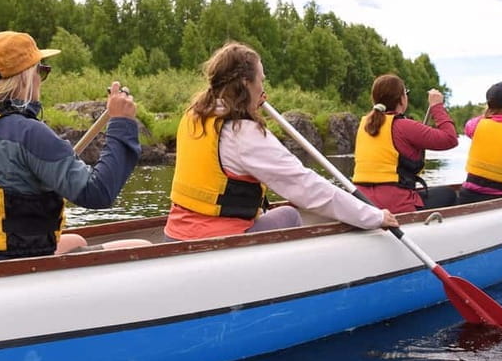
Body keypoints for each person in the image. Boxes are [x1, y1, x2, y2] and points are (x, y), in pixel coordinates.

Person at [0, 30, 148, 265]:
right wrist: (122, 123)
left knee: (76, 239)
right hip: (13, 267)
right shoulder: (27, 133)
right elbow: (98, 193)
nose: (42, 78)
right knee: (141, 246)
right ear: (27, 77)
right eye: (42, 70)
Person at [164, 41, 398, 241]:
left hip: (173, 234)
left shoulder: (193, 116)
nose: (263, 89)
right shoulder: (242, 133)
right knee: (290, 215)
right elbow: (305, 186)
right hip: (218, 242)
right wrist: (374, 216)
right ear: (247, 83)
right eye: (261, 81)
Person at [352, 74, 459, 213]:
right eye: (405, 93)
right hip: (394, 205)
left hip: (362, 202)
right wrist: (437, 106)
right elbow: (450, 139)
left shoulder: (364, 125)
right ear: (402, 99)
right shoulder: (404, 126)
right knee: (448, 194)